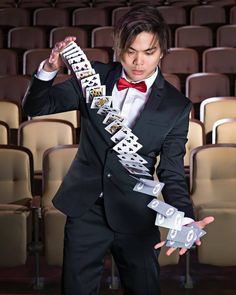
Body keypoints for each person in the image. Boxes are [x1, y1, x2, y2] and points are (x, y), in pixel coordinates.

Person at [23, 5, 214, 295]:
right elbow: (36, 107)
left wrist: (184, 216)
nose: (138, 62)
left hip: (137, 215)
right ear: (118, 49)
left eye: (148, 52)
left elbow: (171, 170)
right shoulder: (94, 77)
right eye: (130, 51)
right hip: (86, 209)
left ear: (162, 52)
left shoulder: (177, 106)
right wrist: (49, 69)